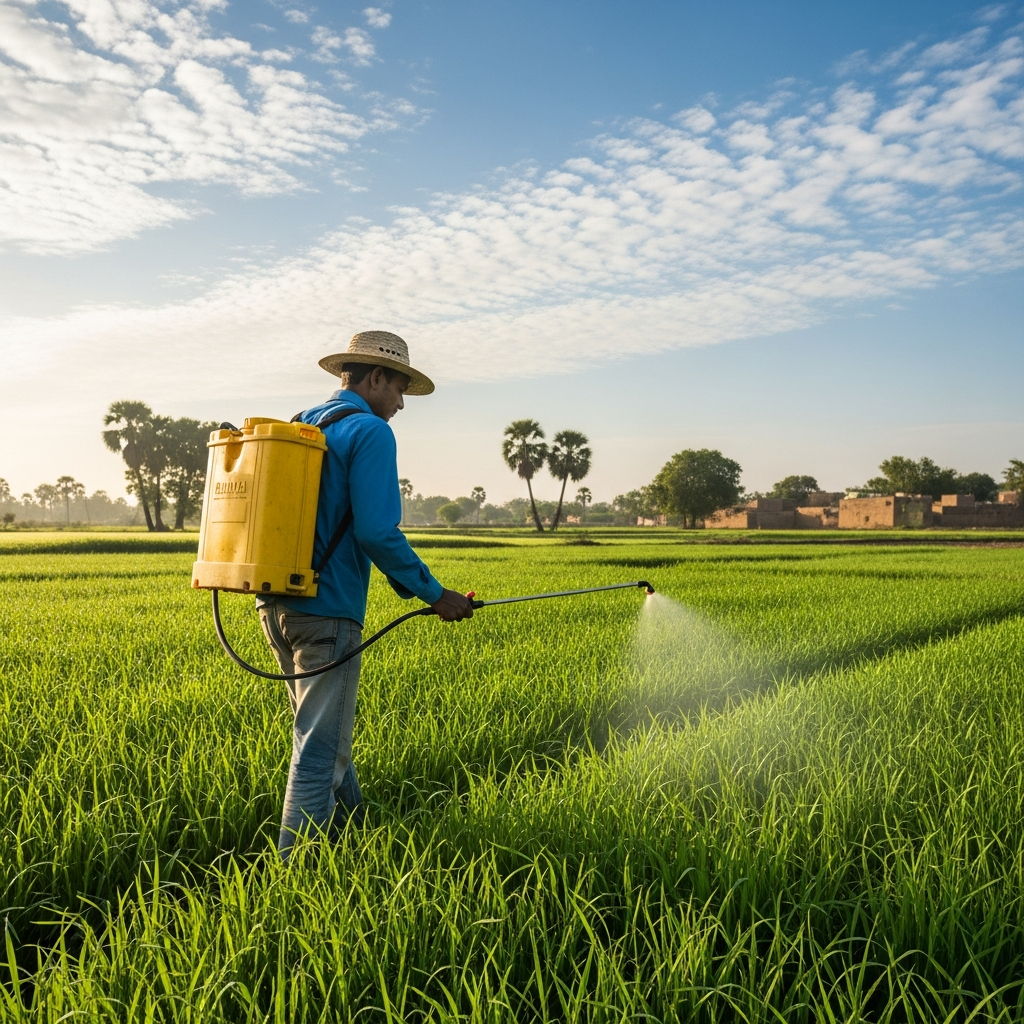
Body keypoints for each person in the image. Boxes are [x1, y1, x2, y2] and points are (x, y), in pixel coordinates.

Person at [257, 330, 474, 859]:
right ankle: (293, 882)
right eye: (400, 388)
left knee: (324, 735)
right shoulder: (369, 432)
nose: (400, 403)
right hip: (330, 611)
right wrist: (434, 593)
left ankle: (357, 839)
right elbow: (377, 532)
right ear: (376, 377)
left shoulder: (300, 425)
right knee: (317, 752)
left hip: (276, 605)